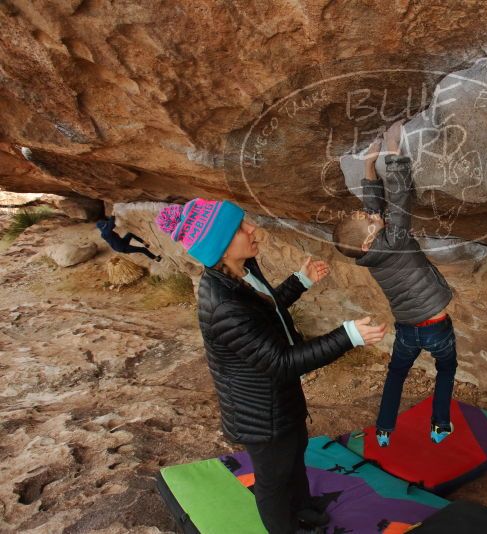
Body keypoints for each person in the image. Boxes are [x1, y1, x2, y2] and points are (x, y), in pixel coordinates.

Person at [155, 199, 386, 534]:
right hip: (260, 415)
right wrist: (349, 335)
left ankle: (304, 511)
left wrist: (299, 281)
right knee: (274, 480)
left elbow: (266, 310)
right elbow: (280, 363)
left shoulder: (241, 272)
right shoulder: (223, 305)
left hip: (277, 399)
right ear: (219, 247)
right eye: (239, 229)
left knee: (295, 458)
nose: (252, 229)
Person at [332, 120, 457, 448]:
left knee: (396, 374)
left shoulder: (370, 253)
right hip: (433, 323)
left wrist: (369, 167)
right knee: (446, 368)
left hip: (407, 327)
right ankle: (440, 425)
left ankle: (385, 429)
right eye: (372, 223)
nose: (374, 217)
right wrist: (394, 154)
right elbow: (400, 200)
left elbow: (374, 210)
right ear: (369, 242)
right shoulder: (396, 239)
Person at [96, 216, 162, 261]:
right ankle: (156, 258)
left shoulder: (105, 233)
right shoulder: (106, 233)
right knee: (143, 250)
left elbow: (112, 225)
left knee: (129, 234)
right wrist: (113, 215)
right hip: (123, 248)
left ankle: (144, 243)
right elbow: (111, 224)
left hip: (122, 242)